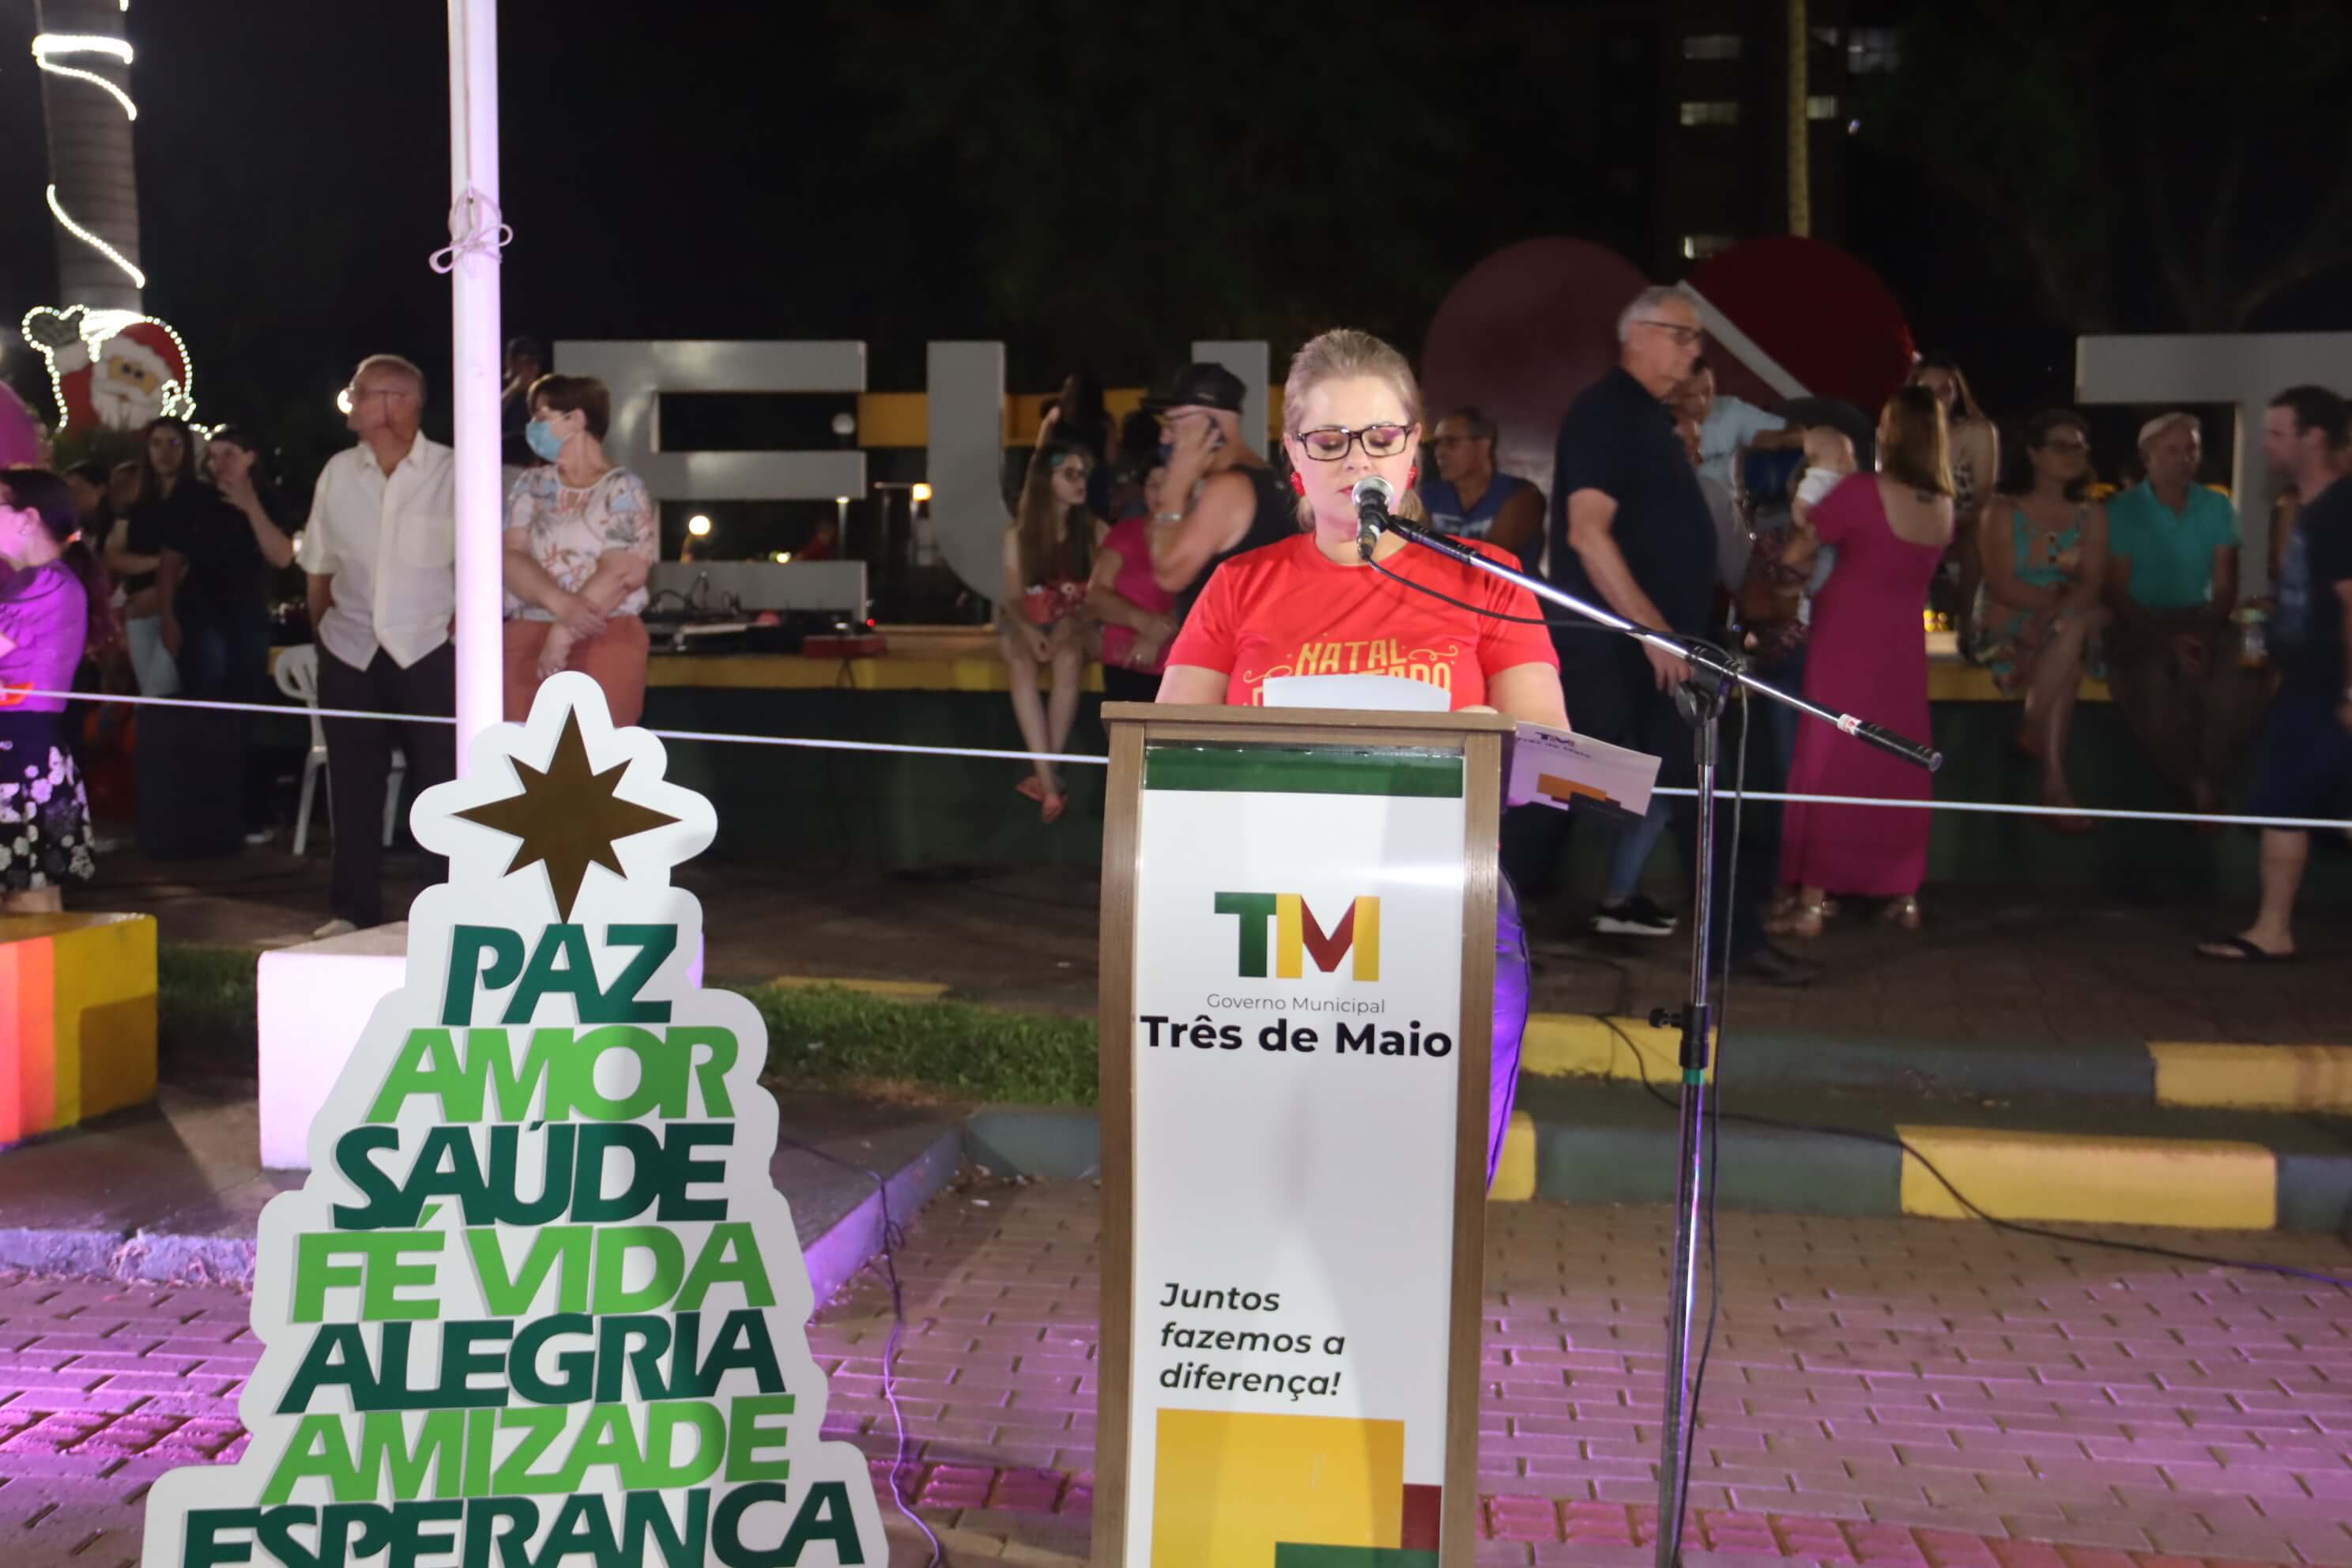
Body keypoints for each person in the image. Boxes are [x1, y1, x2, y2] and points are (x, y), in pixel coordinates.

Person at [1157, 328, 1566, 1186]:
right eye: (1329, 440)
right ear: (1293, 459)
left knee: (1425, 1190)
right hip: (1264, 926)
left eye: (1381, 436)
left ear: (1415, 446)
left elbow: (1549, 764)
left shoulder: (1489, 579)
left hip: (1441, 911)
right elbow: (1167, 758)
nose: (1356, 460)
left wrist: (1478, 737)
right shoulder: (1240, 585)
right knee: (1276, 1179)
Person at [1512, 285, 1806, 984]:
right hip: (1616, 651)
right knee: (1555, 796)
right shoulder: (1606, 412)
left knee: (1701, 789)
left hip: (1659, 652)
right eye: (1683, 335)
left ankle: (1736, 941)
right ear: (1638, 334)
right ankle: (1486, 936)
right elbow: (1588, 533)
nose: (1694, 350)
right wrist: (1652, 633)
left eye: (1696, 338)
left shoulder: (1649, 419)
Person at [1771, 388, 1954, 937]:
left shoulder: (1861, 493)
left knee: (1832, 755)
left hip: (1846, 639)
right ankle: (1901, 893)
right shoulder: (1944, 506)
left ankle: (1813, 899)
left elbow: (1797, 556)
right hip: (1901, 647)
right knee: (1896, 760)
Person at [299, 354, 459, 938]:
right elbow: (317, 568)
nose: (352, 402)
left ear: (399, 402)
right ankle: (352, 909)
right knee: (353, 786)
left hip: (428, 650)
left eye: (360, 392)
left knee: (441, 783)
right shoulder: (339, 471)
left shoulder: (454, 472)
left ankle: (446, 909)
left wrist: (458, 633)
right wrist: (326, 639)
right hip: (350, 649)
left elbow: (478, 567)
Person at [2199, 386, 2352, 963]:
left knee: (2298, 803)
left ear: (2314, 438)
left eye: (2278, 433)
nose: (2266, 444)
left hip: (2331, 689)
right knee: (2289, 804)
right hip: (2310, 686)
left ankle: (2272, 928)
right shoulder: (2313, 508)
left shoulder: (2340, 508)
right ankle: (2272, 928)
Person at [1970, 410, 2110, 831]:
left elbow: (2092, 583)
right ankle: (2054, 787)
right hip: (2007, 618)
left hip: (2062, 620)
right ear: (2033, 454)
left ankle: (2032, 731)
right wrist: (2052, 613)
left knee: (2070, 631)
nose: (2074, 455)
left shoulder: (2092, 514)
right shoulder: (2003, 510)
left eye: (2080, 447)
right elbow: (2003, 584)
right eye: (2061, 446)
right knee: (2070, 642)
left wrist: (2053, 617)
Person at [2102, 413, 2247, 819]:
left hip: (2201, 617)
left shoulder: (2216, 505)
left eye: (2192, 449)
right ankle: (2198, 786)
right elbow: (2116, 590)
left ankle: (2208, 779)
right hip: (2139, 620)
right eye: (2173, 450)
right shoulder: (2124, 509)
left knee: (2241, 679)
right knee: (2149, 682)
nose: (2185, 458)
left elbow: (2225, 587)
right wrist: (2168, 641)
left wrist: (2200, 633)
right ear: (2147, 456)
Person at [499, 374, 657, 727]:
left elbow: (622, 571)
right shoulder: (530, 484)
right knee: (519, 760)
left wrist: (562, 633)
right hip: (527, 636)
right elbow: (511, 555)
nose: (533, 427)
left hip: (606, 636)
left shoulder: (625, 489)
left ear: (577, 418)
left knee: (596, 761)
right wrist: (562, 605)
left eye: (542, 417)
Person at [0, 469, 114, 910]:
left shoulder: (45, 584)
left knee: (26, 898)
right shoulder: (33, 582)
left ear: (28, 517)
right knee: (32, 892)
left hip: (20, 755)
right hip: (25, 752)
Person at [999, 410, 1101, 823]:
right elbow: (1011, 597)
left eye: (1083, 475)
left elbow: (1099, 597)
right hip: (1032, 623)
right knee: (1019, 658)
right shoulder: (1019, 536)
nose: (1080, 483)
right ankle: (1049, 778)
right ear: (1047, 483)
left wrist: (1066, 629)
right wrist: (1028, 629)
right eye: (1070, 475)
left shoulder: (1093, 530)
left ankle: (1046, 778)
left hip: (1077, 627)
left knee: (1068, 657)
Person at [1143, 362, 1295, 625]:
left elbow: (1169, 574)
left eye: (1173, 424)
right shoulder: (1267, 477)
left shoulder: (1228, 489)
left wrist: (1174, 487)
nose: (1165, 438)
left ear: (1210, 422)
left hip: (1227, 660)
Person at [111, 416, 209, 696]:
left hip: (178, 612)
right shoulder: (138, 501)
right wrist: (166, 561)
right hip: (138, 615)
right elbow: (115, 556)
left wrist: (157, 593)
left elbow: (198, 561)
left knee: (157, 699)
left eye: (173, 443)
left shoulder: (199, 498)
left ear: (186, 449)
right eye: (156, 444)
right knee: (153, 698)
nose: (164, 452)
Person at [1910, 355, 2000, 650]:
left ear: (1957, 393)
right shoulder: (1900, 434)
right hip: (1912, 521)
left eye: (1945, 390)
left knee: (1978, 534)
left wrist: (1949, 520)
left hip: (1962, 521)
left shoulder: (1977, 431)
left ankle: (1968, 628)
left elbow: (1984, 495)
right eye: (1928, 390)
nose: (1937, 398)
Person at [1087, 459, 1180, 704]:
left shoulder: (1199, 536)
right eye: (1152, 484)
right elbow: (1096, 595)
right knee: (1124, 738)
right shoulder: (1124, 533)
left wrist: (1160, 634)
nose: (1159, 492)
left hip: (1182, 665)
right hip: (1126, 660)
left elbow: (1204, 598)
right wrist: (1146, 625)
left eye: (1167, 483)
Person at [1419, 407, 1546, 571]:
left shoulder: (1522, 495)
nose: (1439, 453)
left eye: (1451, 442)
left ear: (1484, 445)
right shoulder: (1428, 495)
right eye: (1437, 444)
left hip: (1504, 594)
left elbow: (1489, 562)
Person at [1678, 354, 1801, 494]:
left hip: (1734, 505)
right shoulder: (1656, 424)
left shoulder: (1730, 410)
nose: (1703, 403)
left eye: (1707, 392)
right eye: (1690, 395)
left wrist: (1778, 439)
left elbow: (1799, 434)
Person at [500, 336, 546, 471]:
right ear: (511, 362)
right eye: (525, 362)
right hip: (500, 460)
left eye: (534, 363)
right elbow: (485, 419)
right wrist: (514, 390)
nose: (530, 368)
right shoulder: (495, 384)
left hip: (529, 464)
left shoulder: (539, 392)